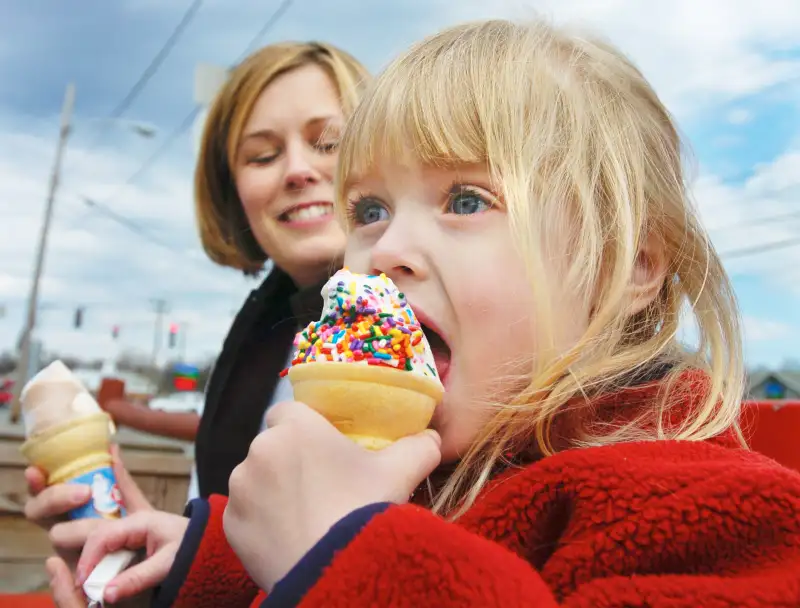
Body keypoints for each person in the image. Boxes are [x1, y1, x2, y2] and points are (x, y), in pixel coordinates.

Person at [65, 18, 800, 607]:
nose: (384, 251)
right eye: (371, 210)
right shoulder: (437, 465)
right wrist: (202, 564)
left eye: (467, 200)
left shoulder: (715, 515)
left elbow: (389, 559)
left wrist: (343, 555)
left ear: (628, 261)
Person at [27, 40, 369, 600]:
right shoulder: (253, 346)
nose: (298, 170)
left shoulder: (438, 345)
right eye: (262, 155)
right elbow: (233, 555)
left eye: (328, 141)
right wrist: (147, 555)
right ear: (233, 192)